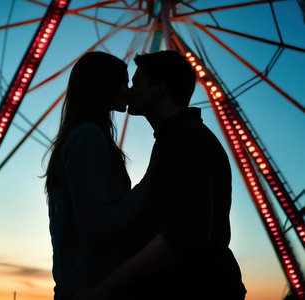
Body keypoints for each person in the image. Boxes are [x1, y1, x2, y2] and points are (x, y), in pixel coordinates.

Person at [77, 50, 247, 299]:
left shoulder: (186, 140)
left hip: (194, 287)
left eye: (136, 83)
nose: (129, 90)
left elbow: (181, 237)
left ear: (159, 88)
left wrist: (101, 291)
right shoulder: (179, 137)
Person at [44, 51, 149, 300]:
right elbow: (97, 227)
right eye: (123, 83)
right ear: (103, 86)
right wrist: (148, 187)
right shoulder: (88, 137)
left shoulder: (78, 137)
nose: (129, 91)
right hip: (92, 288)